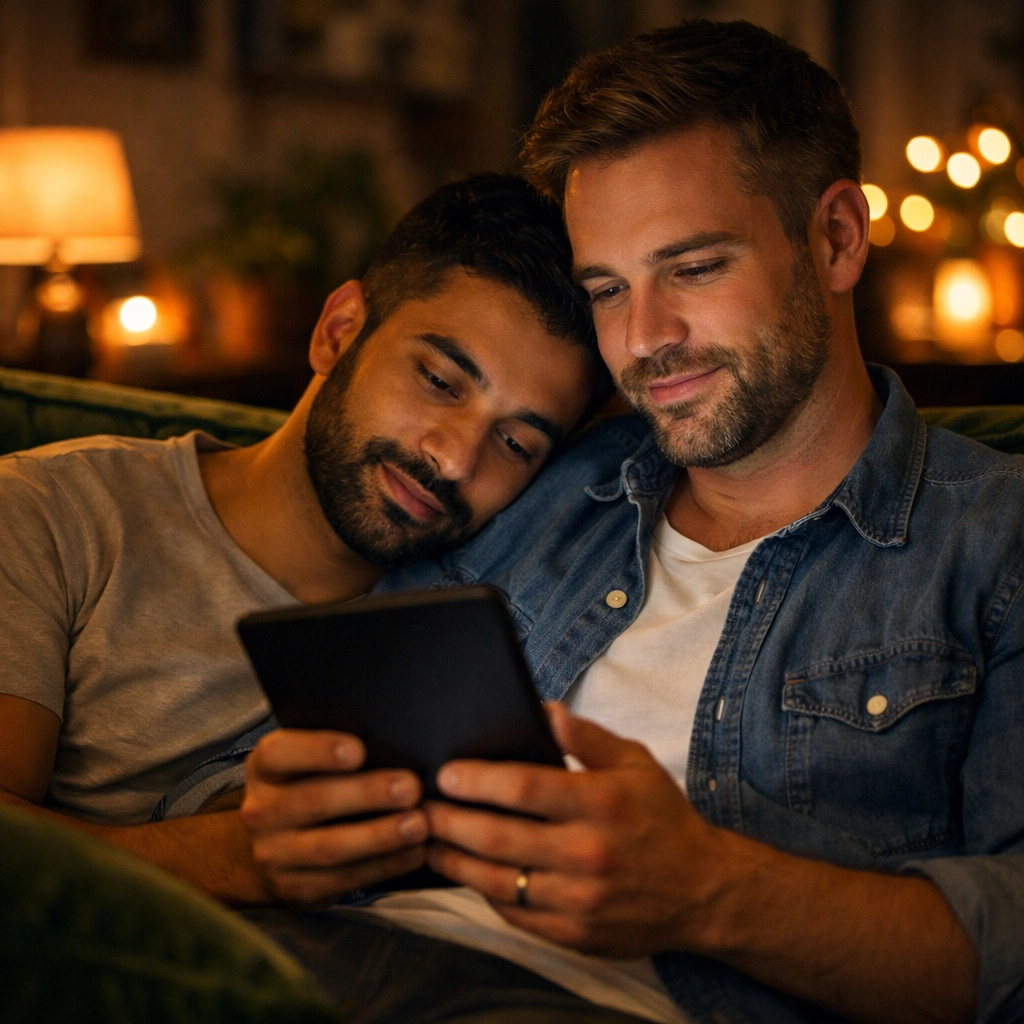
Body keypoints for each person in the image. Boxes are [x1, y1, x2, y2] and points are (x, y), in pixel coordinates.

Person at [240, 20, 1024, 1024]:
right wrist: (297, 805)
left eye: (692, 269)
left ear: (834, 238)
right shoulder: (542, 480)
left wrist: (708, 892)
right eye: (607, 288)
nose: (643, 339)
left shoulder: (991, 543)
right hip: (320, 960)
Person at [0, 174, 605, 905]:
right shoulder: (50, 511)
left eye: (514, 441)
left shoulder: (486, 623)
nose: (455, 458)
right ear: (339, 331)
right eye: (441, 381)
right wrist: (226, 860)